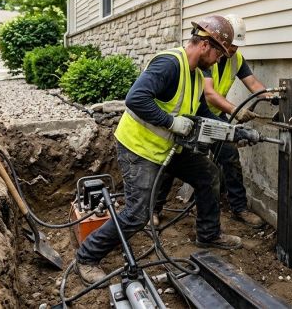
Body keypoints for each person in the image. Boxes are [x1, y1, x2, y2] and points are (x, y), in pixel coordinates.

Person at [75, 15, 243, 284]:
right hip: (138, 147)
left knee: (208, 173)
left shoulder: (198, 74)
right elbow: (135, 99)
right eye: (219, 54)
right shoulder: (169, 64)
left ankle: (208, 234)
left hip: (167, 146)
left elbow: (199, 111)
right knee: (137, 213)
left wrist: (233, 131)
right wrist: (171, 122)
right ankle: (87, 256)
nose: (219, 60)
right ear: (205, 46)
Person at [153, 14, 271, 228]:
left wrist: (271, 96)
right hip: (198, 113)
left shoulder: (236, 59)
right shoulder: (207, 56)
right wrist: (237, 111)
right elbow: (208, 94)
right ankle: (154, 208)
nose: (233, 50)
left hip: (215, 114)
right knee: (175, 160)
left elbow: (253, 84)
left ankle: (239, 208)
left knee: (230, 156)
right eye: (231, 45)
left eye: (236, 45)